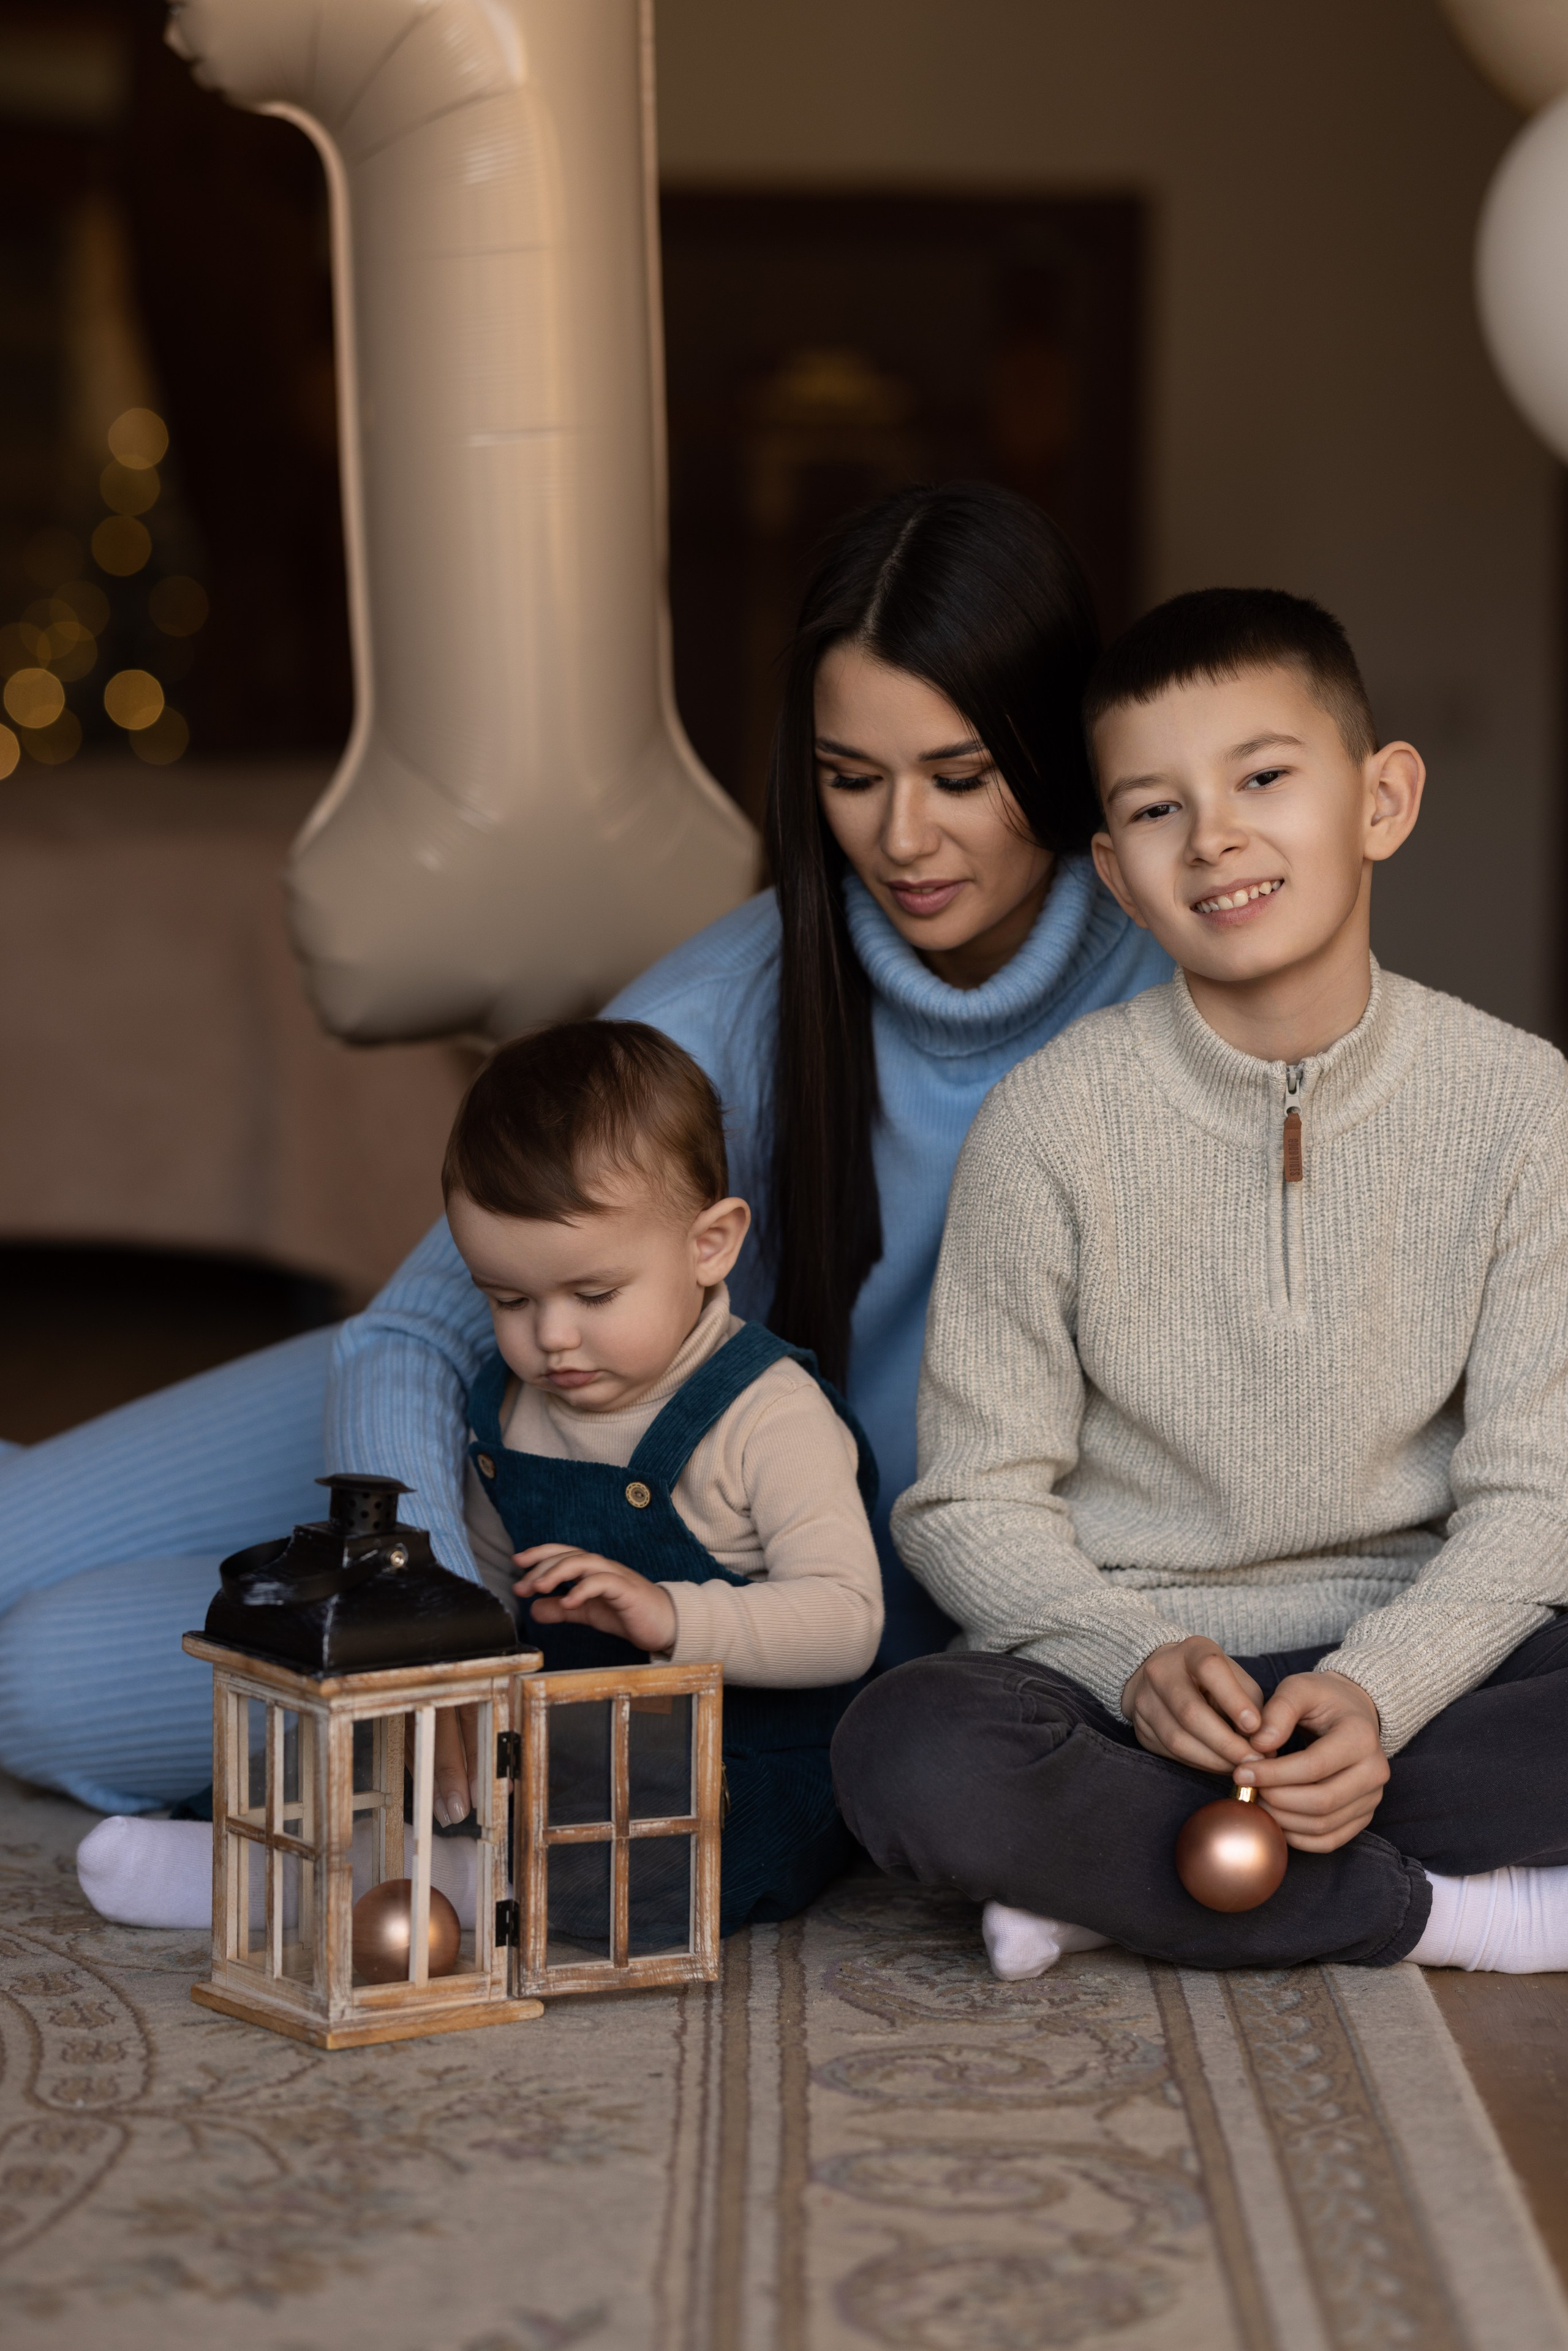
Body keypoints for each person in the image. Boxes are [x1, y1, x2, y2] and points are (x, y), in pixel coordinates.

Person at [0, 481, 1170, 1817]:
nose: (901, 839)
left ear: (1057, 746)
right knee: (14, 1549)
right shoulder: (734, 995)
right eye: (850, 778)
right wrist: (424, 1615)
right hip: (481, 1422)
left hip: (711, 1568)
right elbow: (412, 1335)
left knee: (46, 1678)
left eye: (959, 776)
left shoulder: (1170, 1003)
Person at [833, 587, 1568, 1979]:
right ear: (1112, 872)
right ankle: (1439, 1913)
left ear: (1381, 798)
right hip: (1138, 1678)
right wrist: (1129, 1658)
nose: (1214, 835)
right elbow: (970, 1495)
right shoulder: (1047, 1121)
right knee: (905, 1750)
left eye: (1263, 778)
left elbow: (1540, 1495)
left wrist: (1375, 1688)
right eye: (1156, 809)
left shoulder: (1523, 1105)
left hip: (1424, 1663)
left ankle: (1113, 1870)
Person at [80, 1017, 883, 1934]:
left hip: (736, 1753)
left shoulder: (769, 1413)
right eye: (508, 1299)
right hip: (552, 1728)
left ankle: (413, 1884)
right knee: (360, 1739)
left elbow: (847, 1620)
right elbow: (489, 1599)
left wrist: (672, 1616)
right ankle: (246, 1842)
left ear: (712, 1243)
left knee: (665, 1848)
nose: (551, 1337)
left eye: (593, 1294)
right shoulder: (516, 1406)